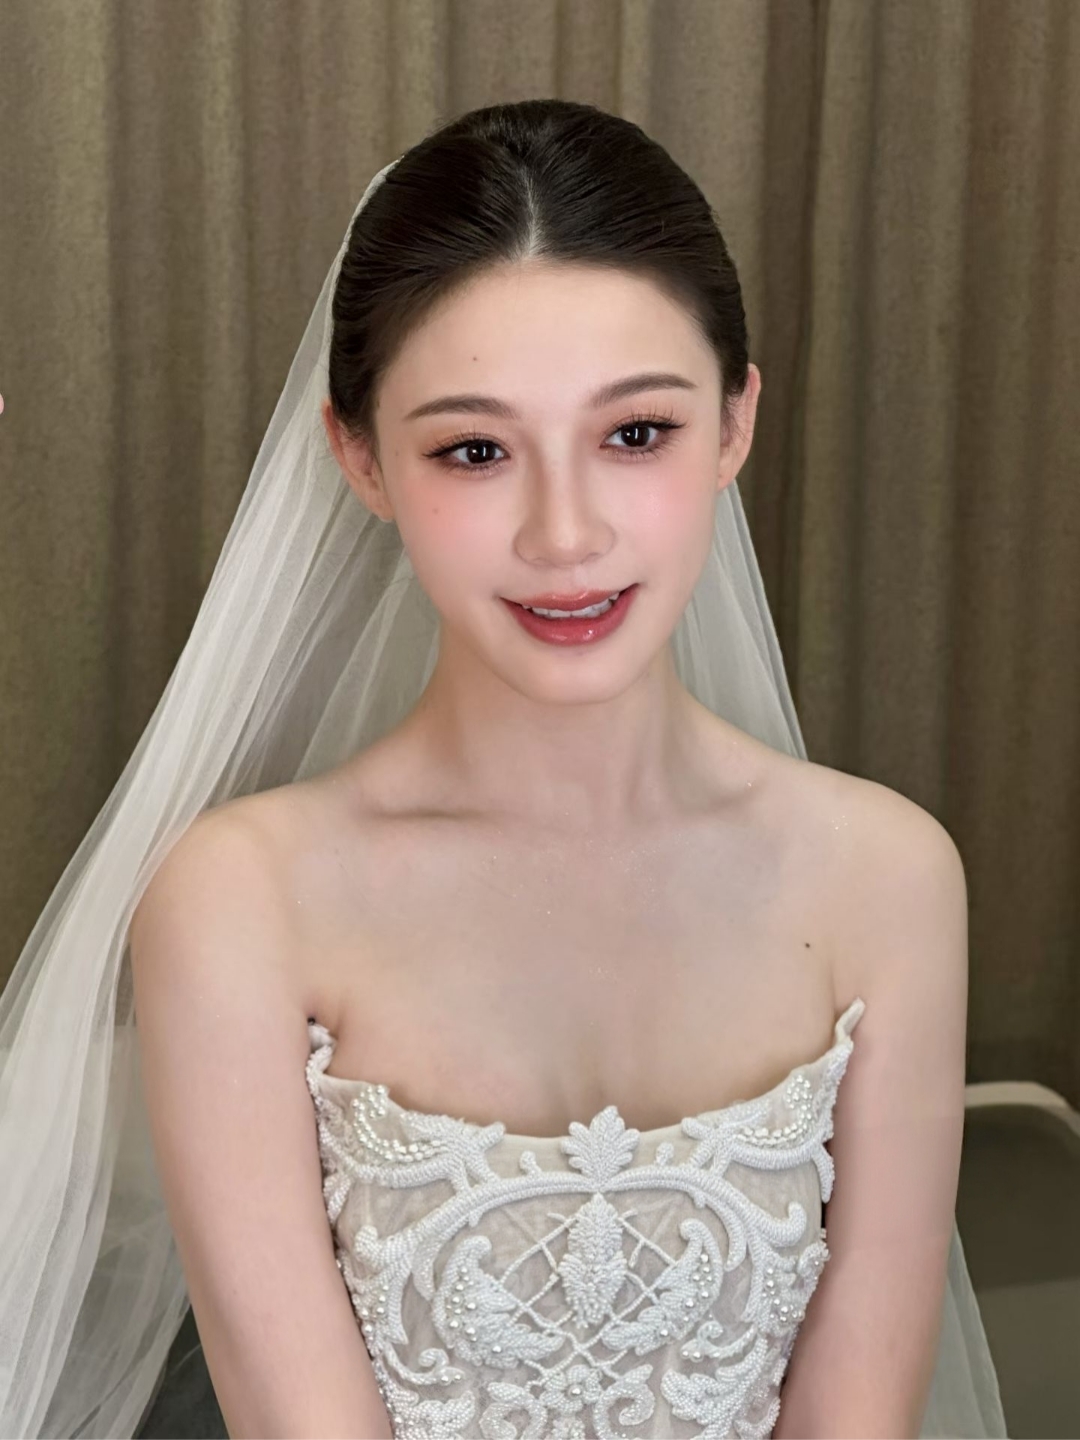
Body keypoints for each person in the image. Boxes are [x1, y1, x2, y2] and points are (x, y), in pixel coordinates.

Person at [0, 98, 1007, 1439]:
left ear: (734, 425)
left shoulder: (888, 880)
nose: (564, 534)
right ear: (361, 457)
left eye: (635, 433)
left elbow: (858, 1416)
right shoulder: (240, 903)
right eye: (474, 449)